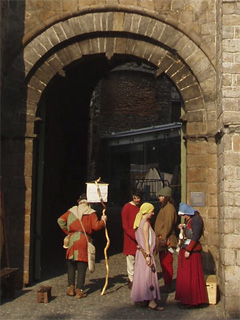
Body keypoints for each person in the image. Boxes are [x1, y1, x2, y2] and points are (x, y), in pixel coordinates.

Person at [57, 194, 107, 298]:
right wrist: (103, 221)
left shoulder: (71, 211)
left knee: (71, 264)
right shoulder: (90, 212)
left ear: (79, 201)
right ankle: (79, 290)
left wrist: (68, 232)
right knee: (81, 265)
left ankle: (70, 288)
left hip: (72, 240)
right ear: (87, 202)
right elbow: (96, 226)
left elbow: (60, 220)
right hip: (84, 240)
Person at [131, 203, 164, 311]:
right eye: (151, 211)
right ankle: (151, 300)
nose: (153, 213)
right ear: (147, 211)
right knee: (149, 276)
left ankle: (143, 298)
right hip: (145, 253)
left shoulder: (139, 223)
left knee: (143, 275)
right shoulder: (144, 224)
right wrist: (148, 255)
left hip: (141, 253)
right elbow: (146, 241)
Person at [175, 203, 208, 308]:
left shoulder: (196, 219)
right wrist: (182, 227)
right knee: (186, 276)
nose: (184, 217)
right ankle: (186, 299)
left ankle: (192, 300)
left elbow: (196, 235)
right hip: (186, 248)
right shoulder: (190, 219)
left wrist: (189, 249)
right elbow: (189, 230)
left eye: (185, 214)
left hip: (192, 251)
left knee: (191, 276)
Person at [154, 186, 177, 293]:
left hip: (167, 240)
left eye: (162, 196)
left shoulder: (169, 208)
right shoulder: (165, 207)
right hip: (162, 239)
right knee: (163, 263)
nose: (160, 198)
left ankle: (168, 284)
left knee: (167, 263)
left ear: (167, 197)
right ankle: (167, 283)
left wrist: (163, 238)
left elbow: (168, 224)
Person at [121, 189, 142, 289]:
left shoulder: (140, 208)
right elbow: (125, 226)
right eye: (135, 198)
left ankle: (138, 279)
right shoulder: (127, 208)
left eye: (138, 198)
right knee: (130, 259)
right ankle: (131, 279)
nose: (137, 200)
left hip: (139, 237)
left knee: (139, 259)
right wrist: (134, 235)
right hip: (130, 238)